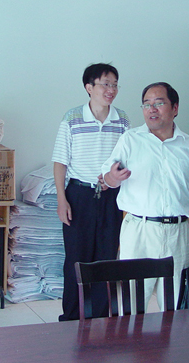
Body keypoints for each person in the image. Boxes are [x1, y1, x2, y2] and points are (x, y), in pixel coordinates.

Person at [102, 82, 189, 310]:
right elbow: (107, 179)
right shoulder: (130, 140)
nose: (151, 109)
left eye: (159, 103)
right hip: (139, 231)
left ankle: (171, 336)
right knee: (132, 303)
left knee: (176, 304)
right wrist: (113, 177)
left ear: (175, 108)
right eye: (146, 104)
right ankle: (133, 335)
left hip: (178, 232)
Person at [52, 63, 130, 321]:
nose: (111, 90)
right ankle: (71, 316)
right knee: (76, 258)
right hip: (79, 196)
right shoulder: (72, 118)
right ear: (89, 87)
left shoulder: (122, 120)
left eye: (114, 85)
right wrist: (61, 199)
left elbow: (127, 159)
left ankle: (100, 318)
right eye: (105, 84)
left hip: (111, 197)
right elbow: (60, 161)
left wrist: (114, 181)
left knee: (107, 258)